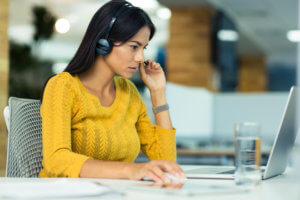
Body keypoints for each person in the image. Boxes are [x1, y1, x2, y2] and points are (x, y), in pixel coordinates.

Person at [40, 0, 185, 183]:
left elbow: (166, 161)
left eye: (143, 48)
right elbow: (56, 160)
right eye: (134, 46)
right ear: (104, 42)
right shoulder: (63, 87)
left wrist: (158, 93)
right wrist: (130, 170)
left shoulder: (129, 93)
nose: (141, 58)